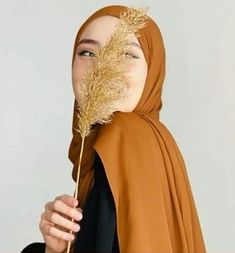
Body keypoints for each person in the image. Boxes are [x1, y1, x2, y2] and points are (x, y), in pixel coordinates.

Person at [21, 4, 207, 253]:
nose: (102, 68)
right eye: (87, 53)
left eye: (126, 54)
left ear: (152, 71)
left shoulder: (124, 135)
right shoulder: (154, 143)